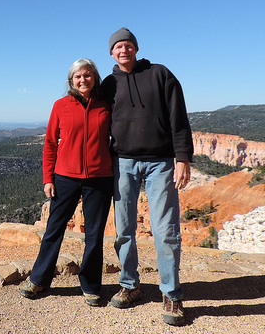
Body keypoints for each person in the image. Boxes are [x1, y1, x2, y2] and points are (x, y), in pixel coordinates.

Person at [102, 27, 194, 326]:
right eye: (118, 47)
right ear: (112, 53)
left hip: (161, 163)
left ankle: (171, 293)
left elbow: (178, 118)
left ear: (136, 48)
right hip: (123, 163)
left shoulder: (160, 74)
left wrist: (183, 158)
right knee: (124, 229)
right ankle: (130, 285)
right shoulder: (108, 83)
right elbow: (97, 120)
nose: (123, 50)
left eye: (128, 45)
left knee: (166, 230)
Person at [20, 58, 113, 307]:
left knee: (94, 235)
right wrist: (47, 178)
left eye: (87, 75)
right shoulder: (61, 106)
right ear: (71, 81)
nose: (83, 80)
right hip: (65, 177)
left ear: (94, 77)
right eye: (78, 76)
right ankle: (39, 279)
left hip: (99, 178)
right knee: (54, 230)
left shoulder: (106, 105)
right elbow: (50, 143)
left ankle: (91, 286)